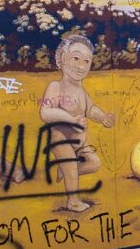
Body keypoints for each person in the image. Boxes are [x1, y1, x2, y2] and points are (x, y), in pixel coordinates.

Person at [39, 35, 114, 212]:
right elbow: (46, 112)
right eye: (76, 58)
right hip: (61, 139)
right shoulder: (56, 86)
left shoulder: (81, 90)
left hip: (80, 141)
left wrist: (103, 118)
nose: (81, 66)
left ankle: (63, 171)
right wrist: (71, 120)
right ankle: (72, 201)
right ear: (63, 59)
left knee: (94, 163)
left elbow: (90, 109)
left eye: (86, 61)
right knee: (71, 165)